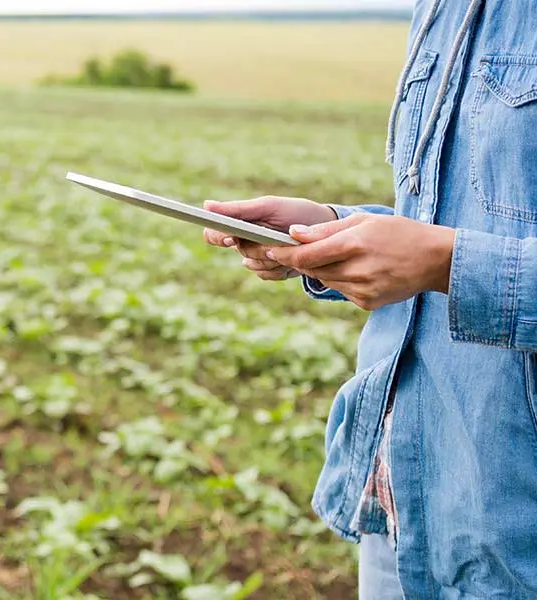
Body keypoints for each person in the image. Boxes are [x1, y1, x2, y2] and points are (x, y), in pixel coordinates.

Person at [203, 1, 537, 597]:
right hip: (408, 484)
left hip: (515, 514)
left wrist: (446, 262)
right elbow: (451, 219)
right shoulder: (442, 9)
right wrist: (335, 228)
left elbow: (447, 248)